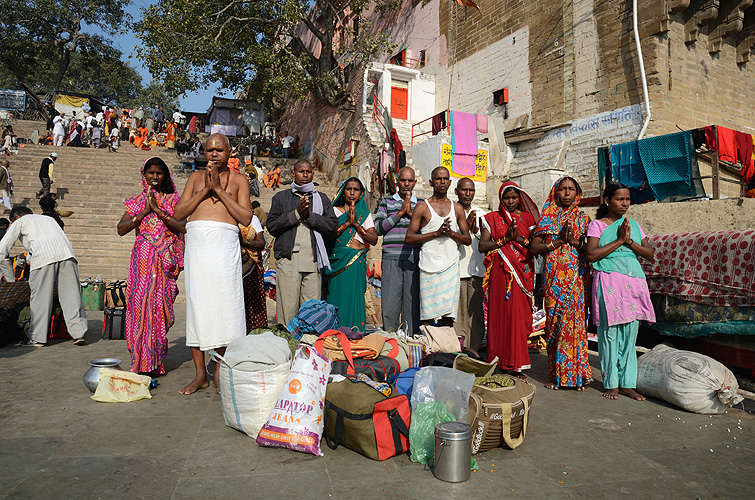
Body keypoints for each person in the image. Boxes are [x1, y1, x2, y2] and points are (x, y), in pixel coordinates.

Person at [174, 133, 252, 394]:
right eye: (209, 150)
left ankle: (219, 371)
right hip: (198, 249)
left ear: (230, 153)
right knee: (198, 308)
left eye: (219, 149)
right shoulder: (195, 178)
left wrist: (219, 189)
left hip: (224, 249)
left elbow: (245, 217)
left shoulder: (239, 180)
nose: (214, 154)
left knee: (225, 309)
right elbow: (179, 213)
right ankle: (200, 376)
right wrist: (205, 190)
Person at [586, 183, 655, 401]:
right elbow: (592, 255)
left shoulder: (633, 225)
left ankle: (627, 384)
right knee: (609, 334)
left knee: (630, 334)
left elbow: (649, 254)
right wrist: (618, 241)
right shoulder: (597, 225)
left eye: (627, 199)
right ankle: (611, 383)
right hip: (608, 281)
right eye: (620, 199)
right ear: (607, 201)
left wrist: (629, 241)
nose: (625, 203)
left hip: (633, 281)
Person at [117, 157, 186, 375]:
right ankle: (140, 361)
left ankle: (155, 362)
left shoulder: (175, 201)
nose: (154, 177)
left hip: (165, 264)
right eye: (150, 173)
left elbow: (181, 226)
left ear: (165, 176)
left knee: (160, 310)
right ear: (144, 174)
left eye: (159, 173)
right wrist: (144, 212)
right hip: (142, 264)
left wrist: (158, 210)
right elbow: (121, 229)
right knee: (139, 310)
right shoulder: (137, 201)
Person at [531, 177, 593, 391]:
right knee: (555, 324)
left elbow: (589, 248)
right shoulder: (547, 217)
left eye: (571, 189)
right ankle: (555, 375)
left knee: (575, 325)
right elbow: (534, 248)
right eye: (563, 189)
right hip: (554, 278)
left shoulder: (583, 219)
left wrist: (573, 241)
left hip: (576, 278)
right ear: (556, 192)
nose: (567, 193)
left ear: (578, 193)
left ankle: (578, 376)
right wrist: (558, 241)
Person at [0, 206, 88, 346]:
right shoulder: (48, 219)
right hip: (67, 255)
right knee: (72, 295)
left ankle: (37, 338)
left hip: (43, 258)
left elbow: (2, 247)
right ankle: (79, 334)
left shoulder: (21, 221)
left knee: (40, 298)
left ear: (16, 217)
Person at [267, 160, 338, 327]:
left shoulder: (321, 199)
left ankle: (308, 348)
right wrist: (297, 215)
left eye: (308, 172)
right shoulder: (281, 197)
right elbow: (272, 226)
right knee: (288, 311)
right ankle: (287, 346)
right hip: (288, 260)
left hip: (313, 260)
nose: (305, 175)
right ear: (293, 174)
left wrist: (310, 217)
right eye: (301, 171)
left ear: (312, 174)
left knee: (313, 311)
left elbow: (332, 226)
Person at [479, 182, 538, 377]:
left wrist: (518, 239)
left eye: (514, 198)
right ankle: (499, 361)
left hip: (522, 270)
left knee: (519, 318)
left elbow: (534, 247)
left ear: (519, 198)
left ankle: (517, 362)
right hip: (501, 272)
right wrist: (505, 240)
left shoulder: (529, 219)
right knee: (500, 317)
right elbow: (483, 246)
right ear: (500, 199)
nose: (511, 201)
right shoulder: (492, 218)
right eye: (507, 198)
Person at [405, 166, 471, 326]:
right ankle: (429, 349)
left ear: (450, 182)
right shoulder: (422, 207)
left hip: (450, 266)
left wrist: (450, 234)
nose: (442, 182)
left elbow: (467, 239)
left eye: (445, 179)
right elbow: (409, 238)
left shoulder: (457, 208)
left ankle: (446, 349)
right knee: (427, 314)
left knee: (449, 316)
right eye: (438, 179)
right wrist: (436, 233)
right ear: (431, 182)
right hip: (429, 267)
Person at [323, 177, 378, 331]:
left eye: (356, 190)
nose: (352, 193)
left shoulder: (364, 213)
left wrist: (356, 224)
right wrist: (347, 223)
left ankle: (355, 334)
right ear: (343, 191)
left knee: (355, 299)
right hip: (337, 261)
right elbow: (327, 235)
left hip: (356, 263)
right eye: (349, 189)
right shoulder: (333, 211)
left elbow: (373, 239)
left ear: (361, 194)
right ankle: (333, 333)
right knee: (336, 297)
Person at [374, 167, 422, 334]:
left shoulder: (422, 204)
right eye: (403, 180)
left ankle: (410, 342)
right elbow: (378, 228)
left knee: (412, 304)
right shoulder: (386, 202)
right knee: (390, 304)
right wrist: (400, 213)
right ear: (397, 181)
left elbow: (425, 230)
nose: (406, 184)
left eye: (410, 180)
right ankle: (391, 341)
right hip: (391, 258)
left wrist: (412, 213)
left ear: (415, 182)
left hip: (414, 258)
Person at [454, 177, 487, 351]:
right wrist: (464, 229)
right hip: (458, 270)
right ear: (456, 191)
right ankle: (460, 351)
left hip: (476, 271)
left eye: (471, 190)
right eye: (464, 190)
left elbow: (487, 241)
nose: (468, 194)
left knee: (475, 315)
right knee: (459, 315)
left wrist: (476, 232)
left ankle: (473, 351)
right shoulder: (451, 211)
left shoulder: (481, 213)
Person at [239, 214, 267, 331]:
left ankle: (254, 336)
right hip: (232, 269)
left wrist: (244, 241)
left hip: (252, 269)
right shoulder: (225, 216)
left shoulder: (252, 219)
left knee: (253, 305)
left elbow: (261, 243)